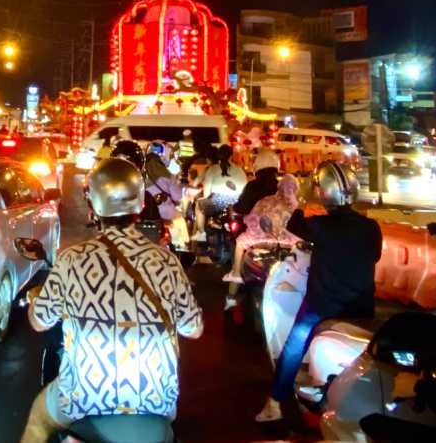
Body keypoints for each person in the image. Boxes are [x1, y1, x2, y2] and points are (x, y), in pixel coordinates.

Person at [19, 157, 203, 443]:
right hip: (156, 398)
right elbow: (194, 329)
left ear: (93, 206)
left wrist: (36, 302)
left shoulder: (71, 260)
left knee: (38, 423)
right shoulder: (167, 261)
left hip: (82, 395)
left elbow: (40, 323)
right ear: (141, 205)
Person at [255, 161, 382, 422]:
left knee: (294, 345)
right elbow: (374, 256)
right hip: (361, 306)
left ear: (323, 193)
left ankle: (275, 402)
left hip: (323, 306)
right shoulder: (371, 227)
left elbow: (293, 222)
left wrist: (300, 197)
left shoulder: (320, 226)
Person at [223, 174, 300, 307]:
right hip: (288, 243)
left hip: (259, 239)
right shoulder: (296, 207)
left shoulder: (266, 200)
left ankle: (232, 289)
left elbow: (251, 218)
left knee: (240, 243)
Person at [191, 144, 247, 243]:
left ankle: (201, 233)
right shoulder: (240, 170)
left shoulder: (213, 169)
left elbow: (207, 194)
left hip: (218, 202)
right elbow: (245, 190)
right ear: (231, 155)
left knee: (199, 205)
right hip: (237, 203)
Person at [235, 149, 282, 218]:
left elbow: (242, 208)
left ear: (256, 166)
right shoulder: (281, 186)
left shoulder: (252, 186)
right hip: (278, 226)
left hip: (255, 226)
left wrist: (234, 208)